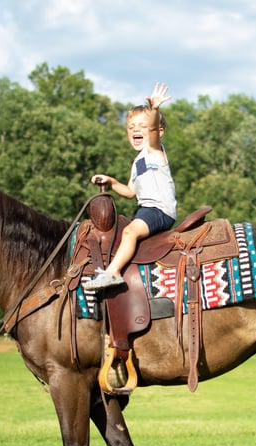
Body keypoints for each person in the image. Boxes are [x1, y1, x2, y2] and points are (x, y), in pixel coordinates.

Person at [82, 82, 177, 290]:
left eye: (142, 127)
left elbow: (151, 128)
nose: (136, 130)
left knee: (129, 232)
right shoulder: (137, 163)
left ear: (158, 132)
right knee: (121, 234)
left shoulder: (154, 151)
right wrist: (112, 182)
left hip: (159, 210)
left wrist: (154, 109)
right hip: (145, 209)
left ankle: (113, 273)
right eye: (131, 127)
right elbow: (130, 192)